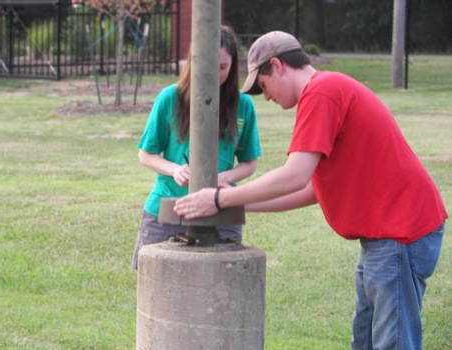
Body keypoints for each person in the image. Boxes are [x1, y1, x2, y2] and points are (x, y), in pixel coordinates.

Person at [174, 31, 448, 349]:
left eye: (263, 87)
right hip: (385, 235)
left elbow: (294, 175)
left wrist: (221, 197)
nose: (269, 98)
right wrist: (237, 206)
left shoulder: (322, 92)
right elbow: (310, 190)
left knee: (392, 342)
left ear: (276, 65)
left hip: (400, 232)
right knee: (365, 339)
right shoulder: (323, 92)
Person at [131, 25, 261, 270]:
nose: (214, 73)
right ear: (193, 62)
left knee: (221, 285)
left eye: (222, 67)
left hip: (222, 210)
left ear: (233, 65)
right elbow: (146, 155)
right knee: (156, 285)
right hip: (167, 209)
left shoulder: (243, 105)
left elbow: (249, 163)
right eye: (208, 65)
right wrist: (175, 170)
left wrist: (226, 177)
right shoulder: (170, 98)